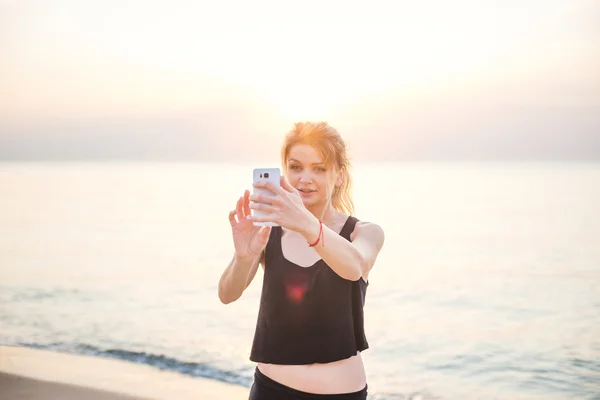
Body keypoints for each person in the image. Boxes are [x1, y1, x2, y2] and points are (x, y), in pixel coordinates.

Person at [218, 121, 385, 400]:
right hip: (269, 391)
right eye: (296, 167)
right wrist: (244, 256)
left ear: (340, 175)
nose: (305, 179)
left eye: (319, 169)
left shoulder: (364, 232)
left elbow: (354, 266)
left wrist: (306, 223)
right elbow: (227, 293)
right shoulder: (267, 232)